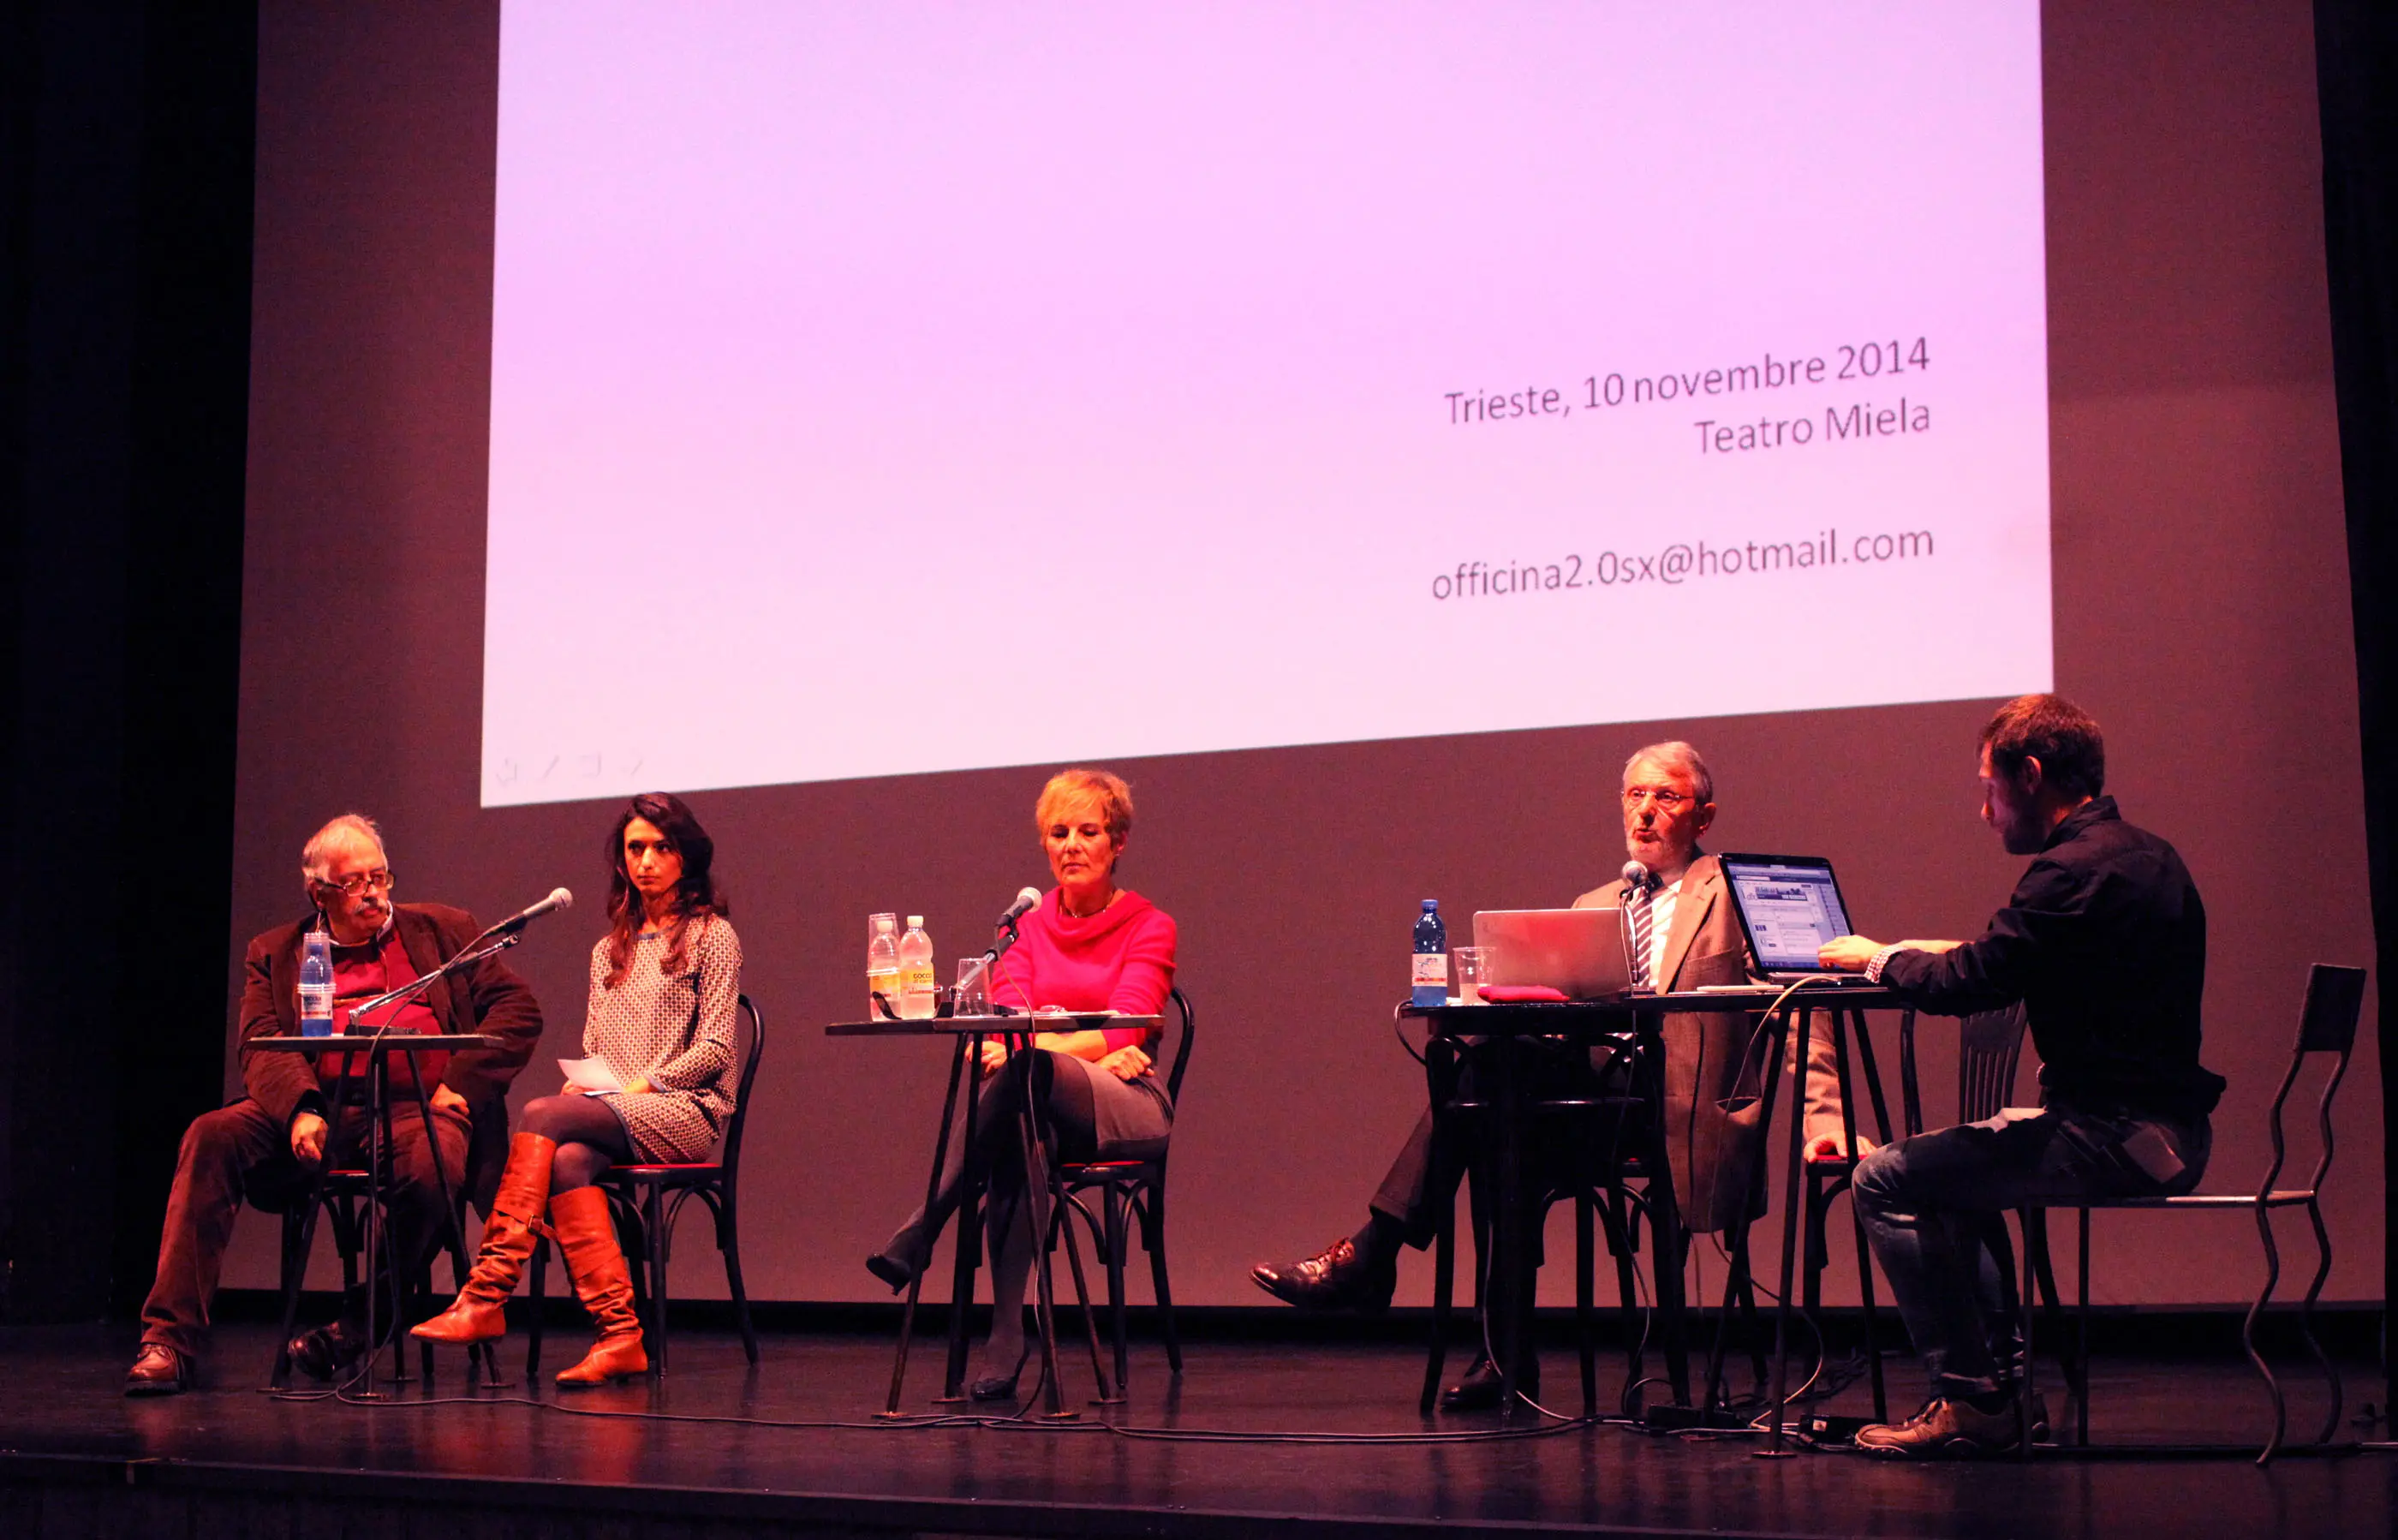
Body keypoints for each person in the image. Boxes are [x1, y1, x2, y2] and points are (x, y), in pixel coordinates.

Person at [1250, 743, 1846, 1408]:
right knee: (1491, 1093)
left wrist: (1827, 1120)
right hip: (1590, 1103)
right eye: (1634, 796)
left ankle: (1379, 1259)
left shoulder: (1733, 894)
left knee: (1487, 1092)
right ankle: (1495, 1351)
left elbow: (1803, 1006)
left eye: (1666, 798)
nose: (1645, 812)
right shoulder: (1594, 902)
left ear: (1703, 818)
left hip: (1678, 1111)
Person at [1819, 695, 2222, 1457]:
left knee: (1883, 1179)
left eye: (1991, 790)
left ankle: (1973, 1398)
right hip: (2167, 1129)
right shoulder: (2147, 854)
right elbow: (2035, 955)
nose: (1986, 811)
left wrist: (1877, 958)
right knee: (1951, 1174)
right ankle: (2001, 1396)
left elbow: (1970, 984)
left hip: (2115, 1136)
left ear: (2030, 775)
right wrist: (1933, 951)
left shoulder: (2067, 872)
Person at [125, 815, 543, 1395]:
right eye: (354, 882)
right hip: (322, 1107)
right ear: (318, 892)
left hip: (416, 1109)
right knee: (211, 1134)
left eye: (381, 876)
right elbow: (261, 1041)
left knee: (433, 1172)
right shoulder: (278, 952)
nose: (373, 892)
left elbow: (518, 1011)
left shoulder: (446, 933)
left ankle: (358, 1324)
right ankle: (168, 1340)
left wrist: (461, 1086)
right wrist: (300, 1107)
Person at [866, 767, 1177, 1400]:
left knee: (1027, 1072)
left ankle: (925, 1226)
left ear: (1117, 843)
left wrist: (1068, 1052)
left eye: (1088, 832)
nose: (1071, 845)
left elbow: (1129, 1025)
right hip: (1040, 1101)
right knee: (1019, 1129)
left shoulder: (1150, 924)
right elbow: (1002, 1021)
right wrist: (1078, 1049)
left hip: (1127, 1104)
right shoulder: (1026, 929)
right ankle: (1007, 1334)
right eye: (1058, 832)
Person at [414, 793, 743, 1385]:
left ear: (686, 857)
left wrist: (647, 1082)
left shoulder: (712, 936)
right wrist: (584, 1081)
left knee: (541, 1112)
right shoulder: (606, 951)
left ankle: (486, 1294)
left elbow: (717, 1050)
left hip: (684, 1109)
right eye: (635, 848)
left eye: (661, 848)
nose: (646, 861)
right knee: (565, 1161)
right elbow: (597, 1047)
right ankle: (620, 1336)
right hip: (614, 1109)